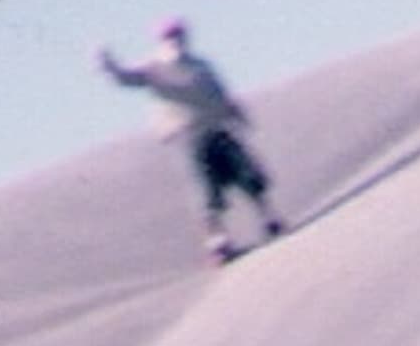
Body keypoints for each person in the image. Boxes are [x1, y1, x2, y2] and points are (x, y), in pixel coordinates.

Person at [97, 18, 285, 263]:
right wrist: (107, 65)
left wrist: (237, 113)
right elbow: (126, 78)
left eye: (178, 35)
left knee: (247, 174)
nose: (175, 40)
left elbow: (221, 92)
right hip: (187, 135)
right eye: (169, 36)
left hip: (217, 128)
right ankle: (218, 242)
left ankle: (268, 219)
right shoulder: (153, 69)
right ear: (161, 40)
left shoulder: (200, 65)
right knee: (205, 189)